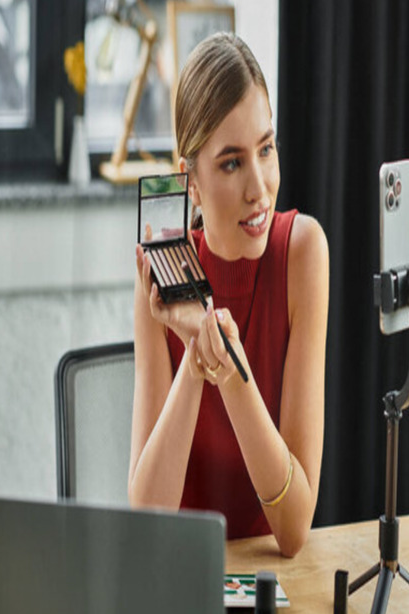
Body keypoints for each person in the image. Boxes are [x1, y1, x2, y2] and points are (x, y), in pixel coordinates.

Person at [128, 33, 329, 558]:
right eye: (232, 162)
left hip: (274, 588)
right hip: (181, 584)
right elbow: (147, 522)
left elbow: (293, 527)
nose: (259, 187)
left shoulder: (302, 252)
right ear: (189, 181)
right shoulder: (160, 275)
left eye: (266, 148)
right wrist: (195, 364)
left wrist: (223, 357)